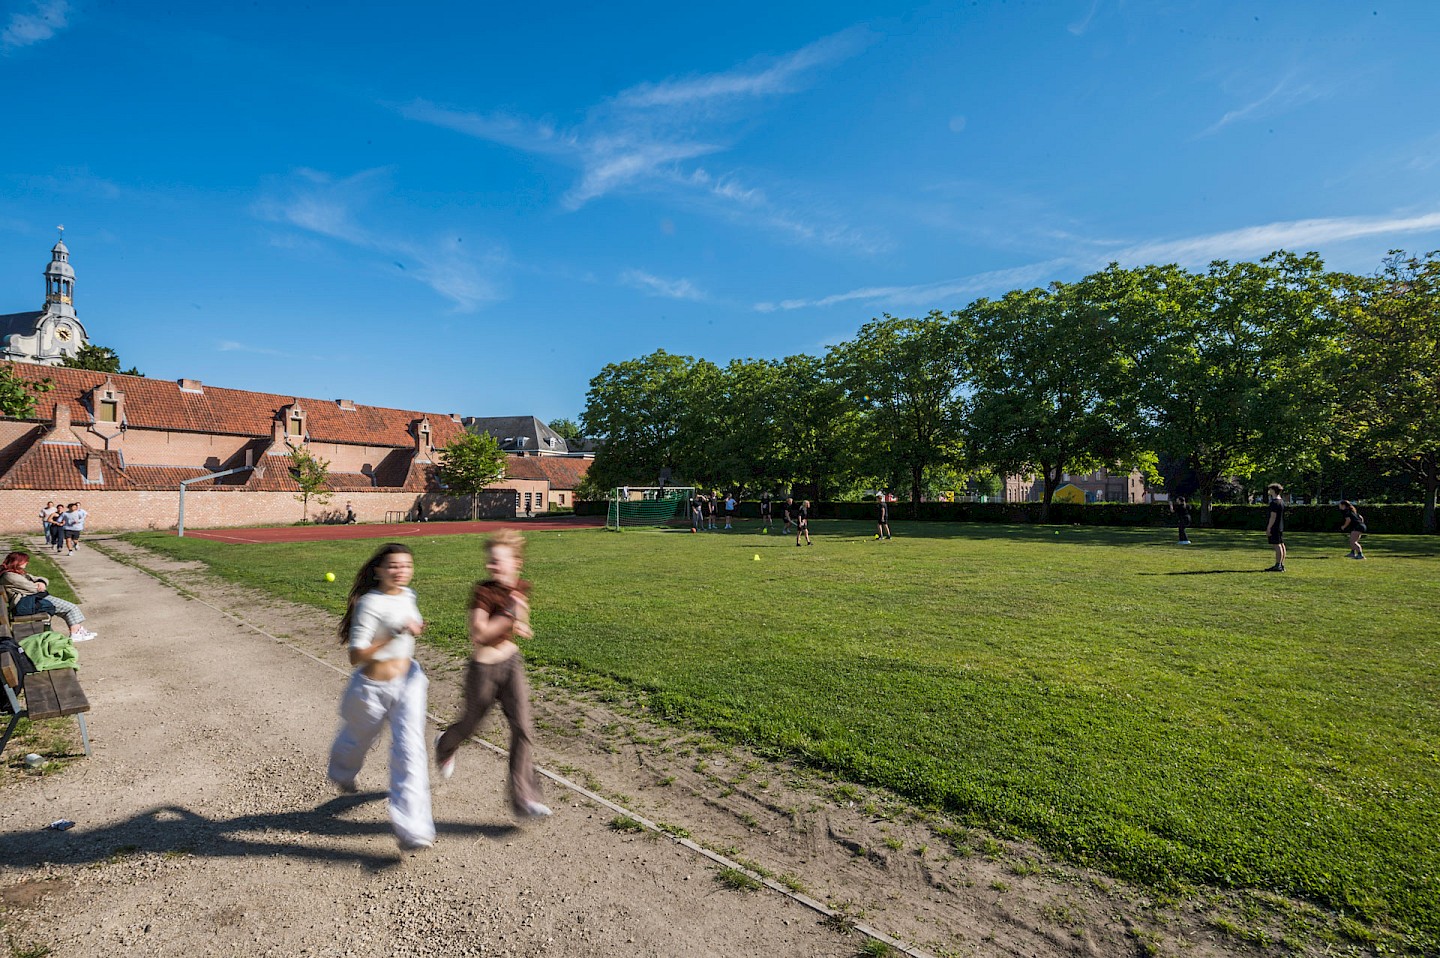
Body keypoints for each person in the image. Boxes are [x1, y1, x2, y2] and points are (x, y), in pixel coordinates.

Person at [434, 529, 551, 819]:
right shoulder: (483, 592)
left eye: (497, 561)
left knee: (523, 728)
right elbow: (480, 633)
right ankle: (445, 744)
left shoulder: (519, 587)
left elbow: (520, 609)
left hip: (511, 664)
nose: (491, 566)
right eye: (490, 561)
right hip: (483, 671)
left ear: (516, 563)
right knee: (471, 725)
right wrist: (509, 614)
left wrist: (521, 623)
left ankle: (524, 798)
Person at [327, 543, 435, 851]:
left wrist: (414, 629)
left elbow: (407, 629)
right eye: (393, 566)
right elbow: (356, 656)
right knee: (355, 740)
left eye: (406, 565)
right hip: (372, 688)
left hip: (409, 684)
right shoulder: (369, 603)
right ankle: (341, 771)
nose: (401, 571)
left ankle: (413, 829)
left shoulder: (409, 595)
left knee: (410, 751)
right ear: (378, 571)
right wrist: (393, 633)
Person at [1, 551, 97, 641]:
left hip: (33, 599)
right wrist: (38, 585)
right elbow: (33, 588)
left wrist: (41, 582)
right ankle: (76, 633)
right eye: (25, 561)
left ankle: (78, 631)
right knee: (71, 607)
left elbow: (41, 579)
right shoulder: (10, 576)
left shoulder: (17, 572)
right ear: (16, 562)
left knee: (68, 608)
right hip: (27, 603)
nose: (27, 562)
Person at [1264, 483, 1286, 572]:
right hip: (1280, 526)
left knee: (1277, 545)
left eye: (1270, 489)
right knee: (1281, 544)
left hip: (1275, 526)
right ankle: (1281, 564)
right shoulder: (1281, 501)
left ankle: (1278, 565)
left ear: (1273, 490)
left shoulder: (1274, 503)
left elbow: (1273, 516)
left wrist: (1269, 527)